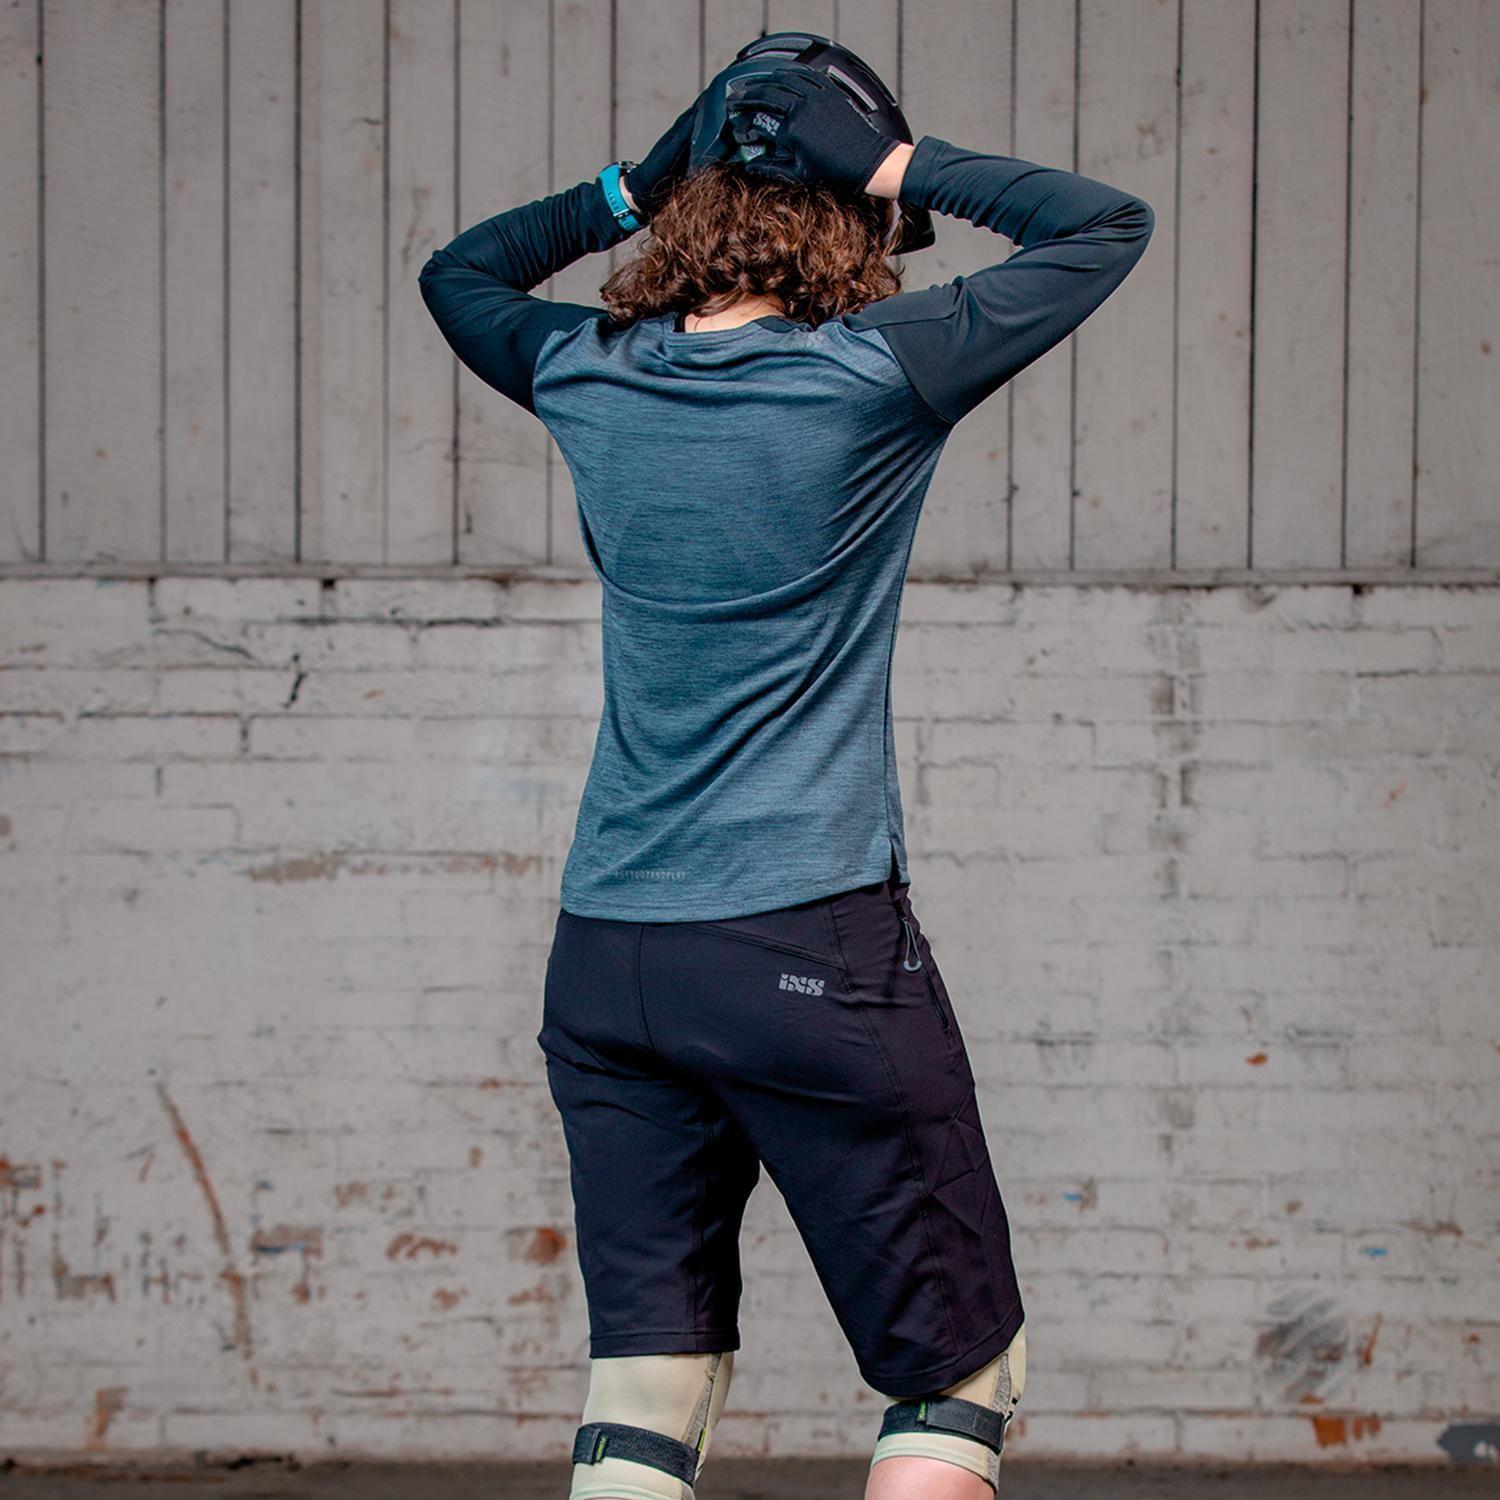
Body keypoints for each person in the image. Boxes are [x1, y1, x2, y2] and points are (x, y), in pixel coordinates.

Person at [419, 31, 1154, 1499]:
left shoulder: (586, 368)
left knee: (647, 1388)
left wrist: (633, 184)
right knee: (960, 1378)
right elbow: (1103, 227)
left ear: (696, 198)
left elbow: (461, 273)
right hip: (804, 939)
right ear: (856, 212)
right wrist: (895, 162)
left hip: (609, 956)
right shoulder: (873, 374)